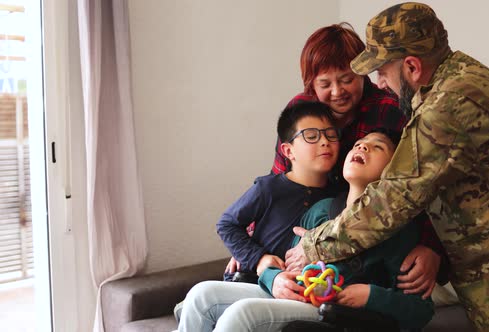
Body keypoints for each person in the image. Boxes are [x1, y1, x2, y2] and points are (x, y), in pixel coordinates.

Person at [285, 3, 489, 331]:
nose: (382, 85)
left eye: (383, 73)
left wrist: (315, 245)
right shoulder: (464, 76)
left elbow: (393, 198)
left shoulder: (446, 108)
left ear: (412, 66)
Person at [227, 22, 447, 297]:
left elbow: (424, 184)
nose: (337, 92)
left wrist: (431, 247)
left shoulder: (390, 109)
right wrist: (251, 251)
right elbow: (284, 183)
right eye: (324, 84)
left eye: (346, 80)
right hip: (313, 230)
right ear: (310, 85)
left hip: (376, 227)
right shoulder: (301, 115)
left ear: (363, 74)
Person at [179, 130, 434, 332]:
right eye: (358, 143)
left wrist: (370, 296)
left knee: (242, 314)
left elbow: (420, 312)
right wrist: (274, 279)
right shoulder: (323, 209)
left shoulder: (400, 231)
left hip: (337, 312)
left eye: (377, 146)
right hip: (296, 293)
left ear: (394, 170)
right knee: (202, 295)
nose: (362, 147)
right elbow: (286, 264)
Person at [217, 101, 340, 280]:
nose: (324, 142)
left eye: (331, 135)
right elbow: (227, 224)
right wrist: (257, 258)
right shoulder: (269, 188)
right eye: (311, 136)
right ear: (288, 151)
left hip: (304, 289)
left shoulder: (338, 196)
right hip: (253, 281)